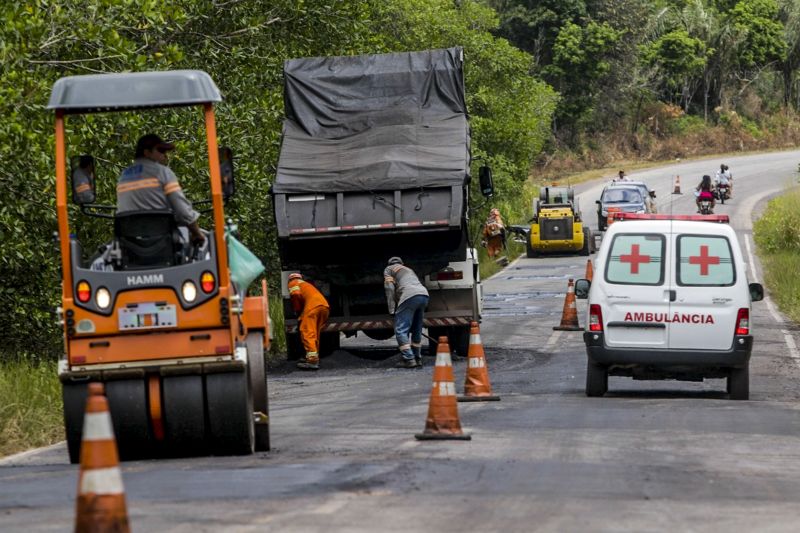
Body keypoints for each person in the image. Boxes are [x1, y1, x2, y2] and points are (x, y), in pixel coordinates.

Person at [116, 133, 205, 245]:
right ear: (147, 152)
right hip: (162, 245)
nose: (165, 156)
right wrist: (197, 234)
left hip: (130, 246)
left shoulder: (123, 176)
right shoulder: (162, 172)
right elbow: (183, 212)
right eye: (161, 151)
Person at [384, 257, 429, 368]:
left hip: (409, 295)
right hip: (424, 295)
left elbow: (389, 288)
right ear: (402, 263)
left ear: (389, 264)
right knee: (417, 328)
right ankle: (417, 357)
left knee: (400, 330)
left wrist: (391, 309)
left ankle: (409, 359)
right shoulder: (409, 269)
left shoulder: (388, 269)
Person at [287, 272, 330, 370]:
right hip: (324, 307)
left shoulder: (293, 282)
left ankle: (312, 360)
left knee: (307, 331)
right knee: (314, 333)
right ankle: (312, 356)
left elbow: (295, 294)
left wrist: (297, 310)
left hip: (313, 307)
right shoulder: (305, 284)